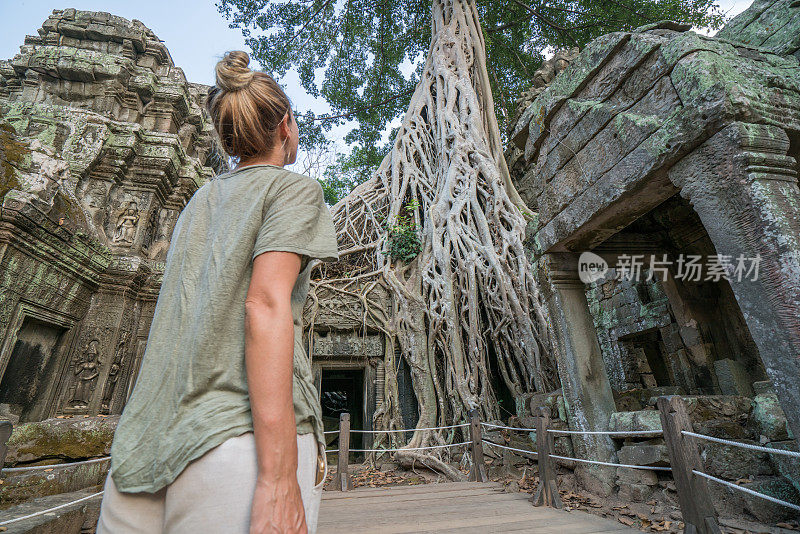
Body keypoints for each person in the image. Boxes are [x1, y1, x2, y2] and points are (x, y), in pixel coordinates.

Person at [96, 50, 339, 534]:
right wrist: (279, 479)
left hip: (142, 450)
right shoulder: (293, 190)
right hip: (237, 448)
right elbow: (265, 304)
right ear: (285, 126)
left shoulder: (197, 203)